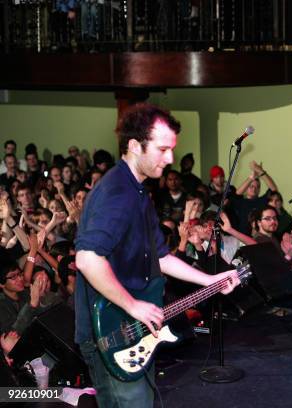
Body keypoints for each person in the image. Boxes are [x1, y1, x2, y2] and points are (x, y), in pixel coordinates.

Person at [74, 103, 239, 408]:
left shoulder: (138, 191)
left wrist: (210, 280)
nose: (171, 158)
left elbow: (161, 258)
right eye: (163, 149)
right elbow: (86, 259)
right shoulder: (117, 193)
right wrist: (133, 305)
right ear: (135, 146)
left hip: (132, 325)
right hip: (110, 330)